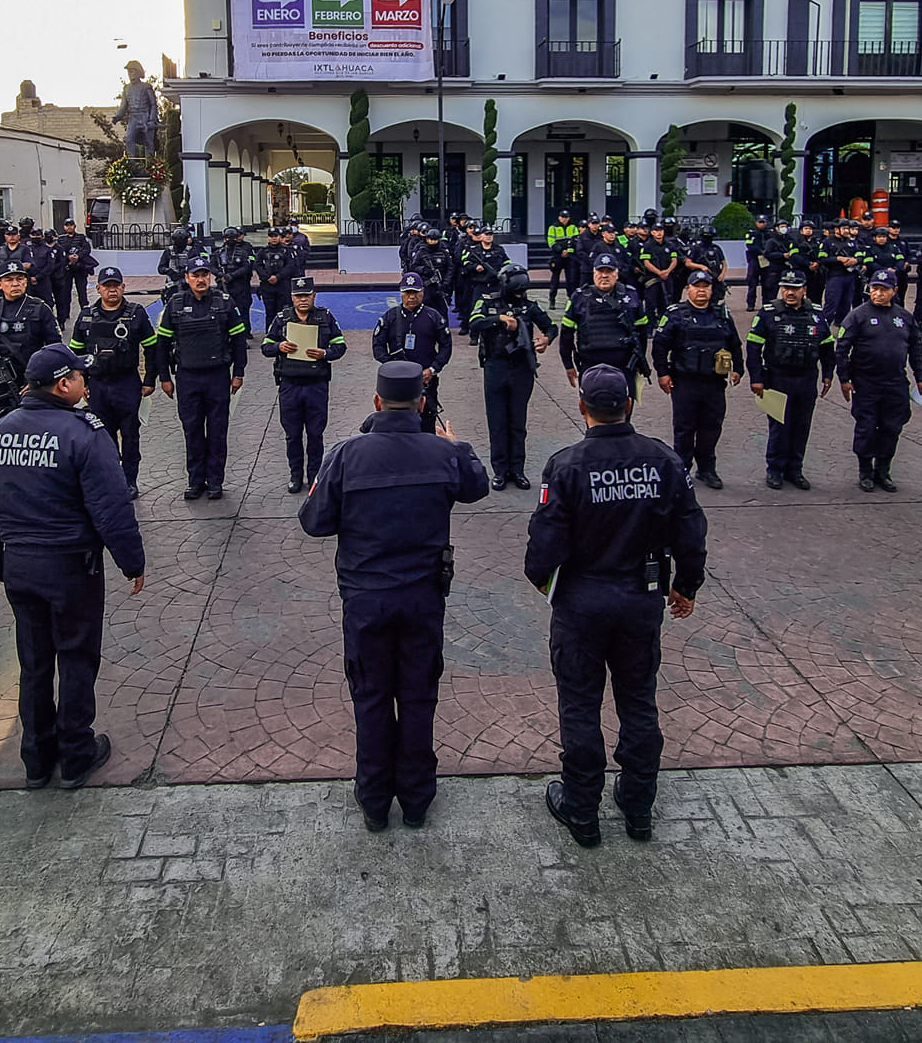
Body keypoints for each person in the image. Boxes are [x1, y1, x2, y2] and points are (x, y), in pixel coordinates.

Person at [300, 360, 490, 832]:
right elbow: (477, 486)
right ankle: (418, 799)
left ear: (377, 402)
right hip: (424, 598)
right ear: (422, 404)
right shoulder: (442, 454)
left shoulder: (346, 455)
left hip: (366, 600)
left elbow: (314, 522)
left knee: (371, 697)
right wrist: (456, 445)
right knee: (419, 695)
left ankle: (374, 801)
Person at [524, 364, 707, 848]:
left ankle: (583, 809)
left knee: (581, 705)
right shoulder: (663, 461)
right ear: (628, 405)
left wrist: (552, 587)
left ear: (583, 407)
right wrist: (686, 585)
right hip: (639, 597)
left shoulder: (566, 465)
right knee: (638, 702)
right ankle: (638, 803)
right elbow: (691, 530)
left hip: (582, 602)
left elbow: (541, 552)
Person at [0, 344, 145, 789]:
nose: (86, 383)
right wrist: (131, 561)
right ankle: (76, 752)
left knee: (35, 661)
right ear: (64, 385)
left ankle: (36, 758)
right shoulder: (83, 431)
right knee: (77, 658)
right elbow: (110, 506)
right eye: (81, 377)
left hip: (19, 566)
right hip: (70, 567)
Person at [155, 255, 248, 500]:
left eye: (204, 275)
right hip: (187, 377)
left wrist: (238, 373)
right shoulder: (174, 304)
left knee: (217, 431)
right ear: (187, 278)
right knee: (192, 430)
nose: (200, 279)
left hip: (218, 376)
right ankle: (195, 481)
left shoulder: (225, 302)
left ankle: (215, 481)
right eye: (195, 275)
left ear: (210, 277)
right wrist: (164, 377)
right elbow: (161, 345)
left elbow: (239, 341)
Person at [648, 269, 744, 490]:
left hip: (714, 382)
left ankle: (706, 469)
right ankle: (681, 470)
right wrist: (663, 373)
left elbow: (735, 344)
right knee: (684, 428)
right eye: (697, 286)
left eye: (705, 287)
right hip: (685, 381)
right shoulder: (675, 314)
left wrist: (738, 368)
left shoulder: (722, 314)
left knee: (712, 427)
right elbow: (660, 347)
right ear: (688, 289)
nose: (701, 291)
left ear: (711, 289)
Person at [835, 271, 922, 493]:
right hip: (866, 383)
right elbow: (842, 349)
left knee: (892, 427)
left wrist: (921, 378)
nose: (878, 293)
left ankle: (883, 470)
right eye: (874, 288)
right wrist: (844, 378)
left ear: (894, 291)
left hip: (895, 383)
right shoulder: (857, 316)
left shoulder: (904, 317)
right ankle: (865, 471)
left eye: (884, 289)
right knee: (866, 428)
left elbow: (916, 348)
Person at [69, 266, 156, 500]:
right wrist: (81, 383)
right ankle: (110, 480)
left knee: (130, 436)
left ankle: (130, 481)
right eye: (107, 286)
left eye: (116, 285)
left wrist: (149, 380)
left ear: (123, 288)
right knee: (102, 438)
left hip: (127, 383)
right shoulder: (86, 316)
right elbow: (76, 354)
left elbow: (152, 348)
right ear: (98, 289)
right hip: (98, 386)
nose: (112, 290)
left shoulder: (136, 313)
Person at [468, 264, 556, 491]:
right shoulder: (488, 301)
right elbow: (474, 323)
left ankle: (517, 470)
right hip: (495, 367)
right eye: (516, 291)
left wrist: (545, 340)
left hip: (521, 369)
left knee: (518, 422)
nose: (520, 295)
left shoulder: (528, 306)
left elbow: (551, 326)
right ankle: (499, 471)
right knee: (497, 422)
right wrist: (499, 318)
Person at [747, 269, 835, 490]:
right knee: (779, 427)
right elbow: (753, 347)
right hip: (778, 378)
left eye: (795, 288)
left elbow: (827, 346)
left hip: (806, 378)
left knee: (801, 426)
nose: (789, 292)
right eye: (785, 288)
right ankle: (774, 470)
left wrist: (828, 374)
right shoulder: (768, 313)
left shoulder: (816, 313)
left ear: (804, 290)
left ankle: (795, 470)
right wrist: (756, 378)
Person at [262, 274, 348, 494]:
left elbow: (340, 346)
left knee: (315, 434)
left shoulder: (325, 317)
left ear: (314, 296)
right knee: (292, 434)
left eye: (306, 295)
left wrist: (325, 353)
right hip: (290, 384)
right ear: (292, 297)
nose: (302, 300)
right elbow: (266, 346)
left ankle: (315, 475)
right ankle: (295, 475)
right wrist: (279, 347)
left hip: (316, 384)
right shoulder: (282, 318)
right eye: (298, 296)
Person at [0, 261, 62, 417]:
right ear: (0, 284)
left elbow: (54, 347)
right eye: (9, 280)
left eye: (19, 279)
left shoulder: (40, 308)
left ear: (26, 282)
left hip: (33, 378)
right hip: (0, 378)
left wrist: (40, 378)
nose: (15, 284)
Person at [370, 273, 452, 431]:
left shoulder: (433, 316)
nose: (411, 296)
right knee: (396, 425)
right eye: (407, 292)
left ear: (422, 291)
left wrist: (433, 369)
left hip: (425, 381)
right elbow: (377, 346)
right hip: (396, 383)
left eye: (415, 292)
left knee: (426, 425)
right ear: (401, 293)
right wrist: (392, 367)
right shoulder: (390, 317)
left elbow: (446, 346)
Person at [559, 251, 648, 392]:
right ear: (594, 273)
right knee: (593, 409)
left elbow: (642, 332)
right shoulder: (579, 297)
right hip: (591, 365)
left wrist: (639, 361)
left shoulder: (630, 296)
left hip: (623, 365)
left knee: (623, 411)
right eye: (600, 271)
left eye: (609, 271)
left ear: (616, 274)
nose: (604, 275)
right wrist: (568, 364)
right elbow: (566, 334)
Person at [52, 217, 96, 327]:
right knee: (65, 293)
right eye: (67, 225)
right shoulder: (61, 239)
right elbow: (59, 251)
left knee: (82, 292)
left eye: (71, 225)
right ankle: (65, 314)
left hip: (80, 268)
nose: (69, 227)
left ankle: (85, 312)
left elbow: (87, 249)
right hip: (67, 269)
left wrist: (78, 256)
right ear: (64, 227)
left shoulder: (81, 238)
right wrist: (68, 257)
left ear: (74, 226)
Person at [546, 210, 582, 306]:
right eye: (562, 217)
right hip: (558, 256)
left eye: (566, 217)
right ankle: (552, 299)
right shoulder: (553, 228)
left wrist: (568, 251)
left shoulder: (573, 227)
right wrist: (561, 251)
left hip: (569, 256)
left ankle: (571, 299)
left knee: (571, 279)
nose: (564, 219)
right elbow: (551, 242)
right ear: (559, 217)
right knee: (555, 279)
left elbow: (575, 241)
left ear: (569, 218)